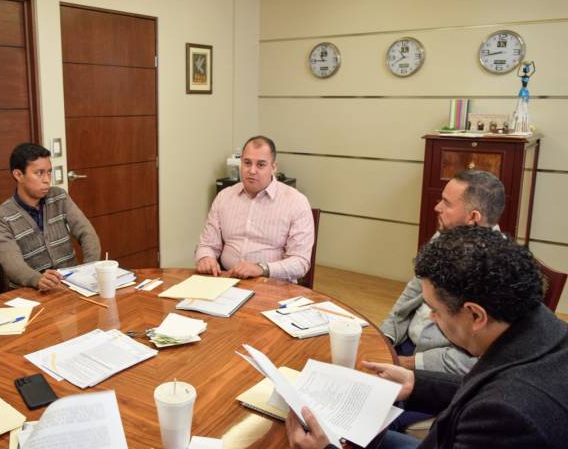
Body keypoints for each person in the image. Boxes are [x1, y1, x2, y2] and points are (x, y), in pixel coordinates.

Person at [286, 225, 568, 449]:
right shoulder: (543, 330)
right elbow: (483, 387)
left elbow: (492, 400)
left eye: (435, 310)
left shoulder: (508, 417)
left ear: (476, 315)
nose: (431, 318)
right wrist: (416, 384)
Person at [380, 170, 505, 375]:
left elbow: (478, 362)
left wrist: (407, 363)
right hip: (403, 341)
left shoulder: (497, 271)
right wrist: (385, 337)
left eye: (447, 203)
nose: (437, 207)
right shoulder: (445, 235)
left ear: (473, 217)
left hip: (435, 369)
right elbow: (412, 291)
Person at [194, 135, 314, 282]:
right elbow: (207, 244)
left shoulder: (296, 202)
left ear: (274, 167)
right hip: (226, 280)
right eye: (247, 163)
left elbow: (300, 262)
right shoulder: (224, 197)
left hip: (273, 284)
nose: (252, 170)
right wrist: (205, 257)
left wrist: (262, 269)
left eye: (261, 165)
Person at [0, 143, 100, 291]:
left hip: (70, 285)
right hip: (30, 291)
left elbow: (87, 233)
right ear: (18, 175)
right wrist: (37, 279)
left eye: (49, 172)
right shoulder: (0, 218)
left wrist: (89, 269)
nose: (47, 179)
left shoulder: (59, 196)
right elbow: (12, 264)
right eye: (39, 173)